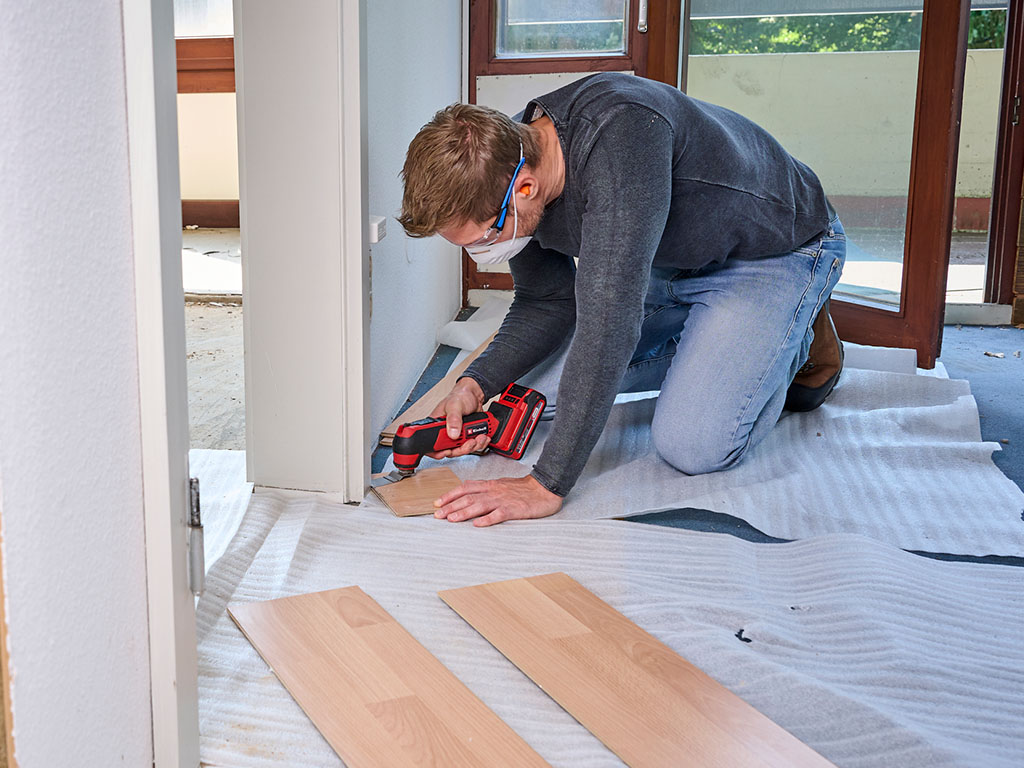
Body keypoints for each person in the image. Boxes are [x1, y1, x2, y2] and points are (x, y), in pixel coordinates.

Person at [398, 72, 846, 527]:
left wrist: (545, 483)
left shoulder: (620, 140)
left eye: (484, 239)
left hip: (772, 251)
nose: (484, 253)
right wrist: (475, 384)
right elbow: (546, 302)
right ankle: (707, 337)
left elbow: (607, 329)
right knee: (523, 399)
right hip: (666, 260)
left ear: (525, 189)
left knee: (693, 445)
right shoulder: (504, 159)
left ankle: (798, 327)